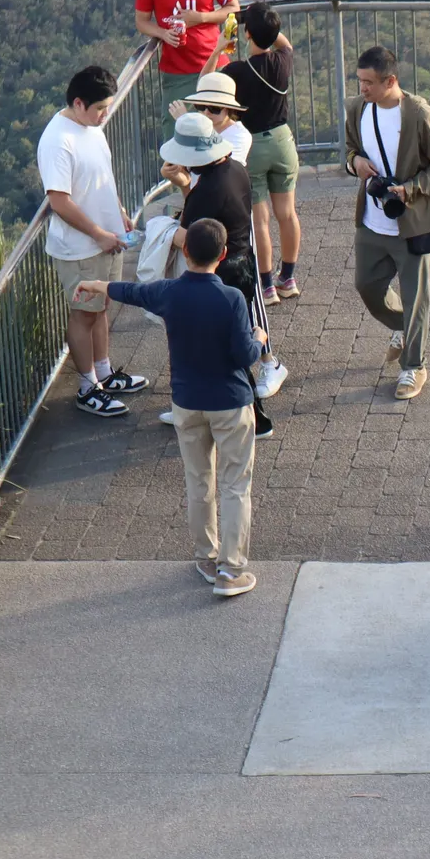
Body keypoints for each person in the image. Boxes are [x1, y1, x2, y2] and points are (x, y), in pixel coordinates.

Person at [75, 219, 264, 598]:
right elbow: (246, 355)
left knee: (199, 482)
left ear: (185, 252)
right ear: (223, 255)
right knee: (234, 486)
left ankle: (207, 559)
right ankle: (232, 571)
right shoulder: (231, 299)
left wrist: (95, 285)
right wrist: (258, 338)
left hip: (187, 403)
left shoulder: (169, 293)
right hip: (229, 404)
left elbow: (133, 291)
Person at [159, 111, 289, 421]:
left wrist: (160, 230)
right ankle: (219, 410)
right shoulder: (235, 169)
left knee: (225, 346)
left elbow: (191, 237)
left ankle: (253, 419)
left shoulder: (206, 190)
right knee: (232, 339)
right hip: (241, 263)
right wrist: (185, 183)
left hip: (221, 274)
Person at [344, 45, 430, 401]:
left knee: (416, 298)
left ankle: (413, 366)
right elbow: (349, 150)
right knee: (367, 287)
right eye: (360, 81)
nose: (362, 89)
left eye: (369, 82)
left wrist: (410, 189)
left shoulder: (419, 115)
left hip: (414, 224)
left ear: (390, 80)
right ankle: (402, 327)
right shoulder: (357, 108)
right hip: (372, 221)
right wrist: (355, 163)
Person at [38, 63, 148, 417]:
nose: (105, 115)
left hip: (106, 238)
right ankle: (87, 388)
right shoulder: (58, 140)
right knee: (84, 314)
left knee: (100, 308)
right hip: (82, 248)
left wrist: (117, 214)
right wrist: (99, 234)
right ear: (79, 103)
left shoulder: (91, 128)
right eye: (100, 108)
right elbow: (59, 201)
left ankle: (104, 373)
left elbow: (102, 175)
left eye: (108, 107)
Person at [222, 2, 303, 305]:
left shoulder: (237, 71)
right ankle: (289, 278)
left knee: (261, 220)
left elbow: (206, 83)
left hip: (253, 145)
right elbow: (283, 42)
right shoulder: (284, 61)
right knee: (287, 213)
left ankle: (267, 286)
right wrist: (266, 26)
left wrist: (221, 45)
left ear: (246, 34)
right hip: (282, 141)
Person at [133, 0, 239, 128]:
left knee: (221, 131)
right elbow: (141, 22)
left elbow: (234, 8)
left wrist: (200, 17)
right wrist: (163, 33)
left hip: (216, 65)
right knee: (176, 132)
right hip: (176, 72)